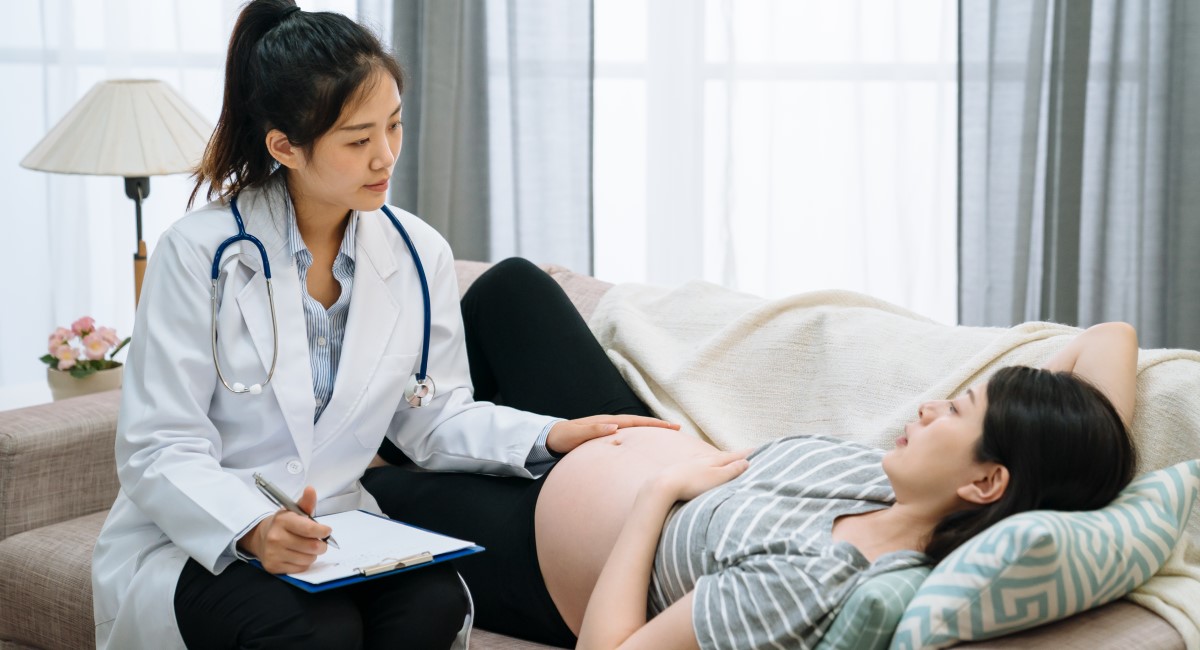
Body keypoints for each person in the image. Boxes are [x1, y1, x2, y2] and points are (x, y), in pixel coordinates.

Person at [89, 4, 670, 649]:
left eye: (393, 126)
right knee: (314, 630)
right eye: (357, 139)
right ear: (285, 146)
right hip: (201, 534)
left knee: (434, 603)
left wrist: (552, 433)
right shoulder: (199, 254)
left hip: (337, 529)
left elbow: (431, 418)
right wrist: (253, 526)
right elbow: (158, 447)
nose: (386, 156)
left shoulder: (418, 254)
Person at [363, 258, 1139, 650]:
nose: (932, 405)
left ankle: (408, 455)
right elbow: (1112, 341)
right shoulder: (887, 486)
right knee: (511, 292)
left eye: (957, 412)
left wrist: (651, 503)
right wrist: (1085, 453)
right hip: (618, 435)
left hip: (545, 549)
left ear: (986, 481)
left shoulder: (815, 584)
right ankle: (422, 436)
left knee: (356, 505)